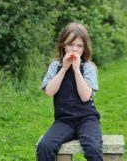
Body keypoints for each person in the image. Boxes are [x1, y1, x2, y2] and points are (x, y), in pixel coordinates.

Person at [36, 22, 103, 161]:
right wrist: (64, 68)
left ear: (85, 48)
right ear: (63, 45)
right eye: (71, 44)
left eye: (79, 46)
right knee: (44, 146)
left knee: (93, 148)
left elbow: (85, 97)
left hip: (87, 119)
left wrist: (77, 69)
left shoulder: (88, 67)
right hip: (64, 120)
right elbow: (49, 92)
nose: (75, 49)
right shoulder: (55, 66)